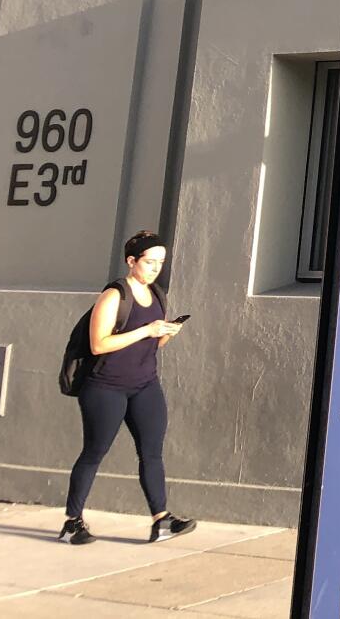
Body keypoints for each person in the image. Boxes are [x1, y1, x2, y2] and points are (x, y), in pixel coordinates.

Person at [60, 231, 197, 546]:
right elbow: (99, 344)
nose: (155, 269)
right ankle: (72, 523)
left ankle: (161, 521)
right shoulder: (114, 295)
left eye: (160, 263)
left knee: (152, 453)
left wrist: (165, 333)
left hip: (145, 384)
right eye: (149, 262)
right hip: (105, 388)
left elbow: (150, 345)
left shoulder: (157, 295)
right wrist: (146, 329)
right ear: (131, 260)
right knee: (94, 452)